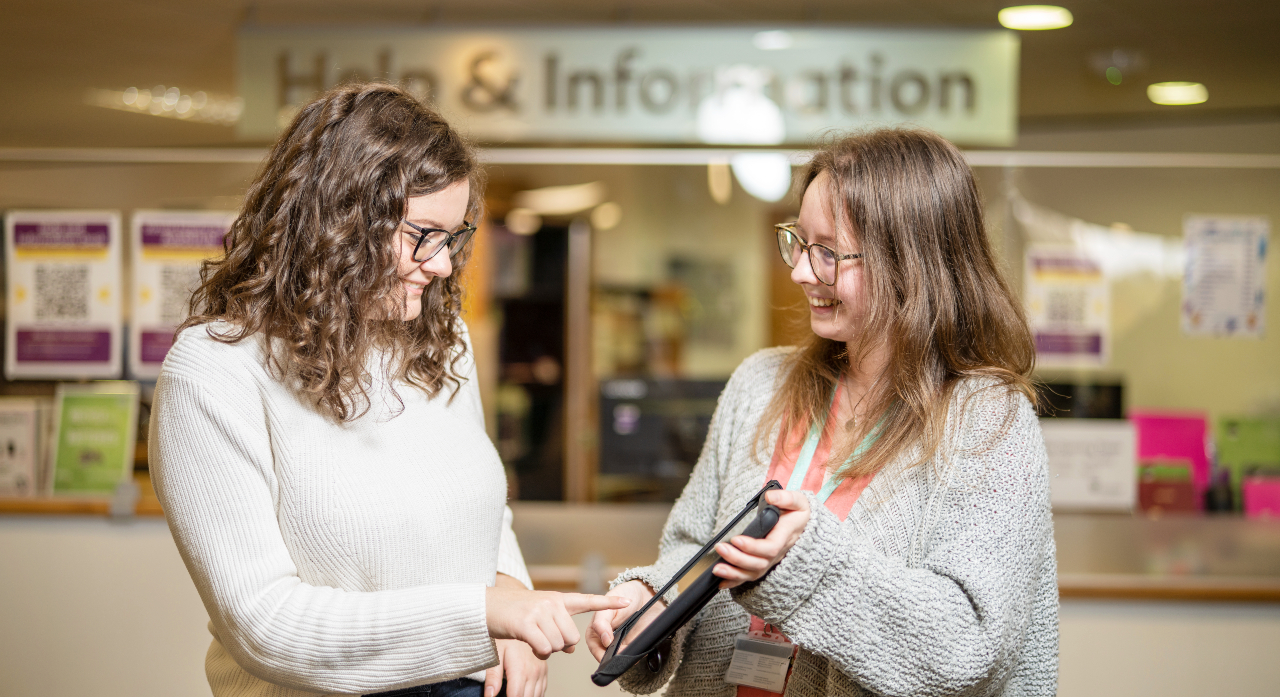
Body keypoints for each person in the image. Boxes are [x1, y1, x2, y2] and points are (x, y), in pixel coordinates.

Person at [150, 83, 626, 697]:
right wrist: (482, 616)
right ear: (338, 223)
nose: (443, 264)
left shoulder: (440, 339)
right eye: (423, 234)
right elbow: (264, 625)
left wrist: (511, 591)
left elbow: (478, 509)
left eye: (452, 237)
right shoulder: (216, 370)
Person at [588, 129, 1057, 697]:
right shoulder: (759, 383)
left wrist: (801, 563)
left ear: (912, 263)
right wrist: (652, 598)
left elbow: (968, 646)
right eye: (800, 242)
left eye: (829, 253)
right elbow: (692, 546)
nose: (802, 273)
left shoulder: (987, 422)